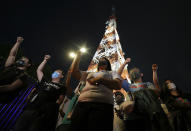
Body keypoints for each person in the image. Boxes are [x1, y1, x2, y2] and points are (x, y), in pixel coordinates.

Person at [14, 55, 71, 131]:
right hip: (31, 109)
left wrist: (53, 109)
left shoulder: (62, 87)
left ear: (61, 76)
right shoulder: (44, 81)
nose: (55, 73)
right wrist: (45, 60)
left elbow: (60, 99)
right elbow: (39, 70)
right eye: (54, 72)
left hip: (43, 113)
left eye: (57, 73)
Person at [70, 51, 122, 131]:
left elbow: (118, 85)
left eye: (104, 61)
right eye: (100, 61)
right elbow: (74, 72)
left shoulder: (112, 73)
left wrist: (100, 79)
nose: (102, 62)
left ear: (108, 64)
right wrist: (77, 57)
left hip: (102, 106)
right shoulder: (89, 73)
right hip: (82, 105)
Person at [117, 61, 172, 131]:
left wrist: (154, 72)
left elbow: (158, 93)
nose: (134, 71)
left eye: (137, 71)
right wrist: (124, 63)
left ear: (141, 74)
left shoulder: (147, 84)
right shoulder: (129, 86)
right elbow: (117, 75)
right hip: (142, 119)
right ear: (130, 77)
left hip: (153, 117)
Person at [0, 37, 31, 103]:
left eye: (24, 60)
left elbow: (11, 87)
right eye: (20, 58)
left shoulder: (24, 76)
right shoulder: (10, 66)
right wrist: (18, 42)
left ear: (28, 64)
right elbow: (12, 55)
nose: (21, 59)